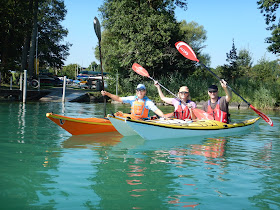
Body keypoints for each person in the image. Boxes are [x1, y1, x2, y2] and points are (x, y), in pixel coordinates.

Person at [101, 84, 166, 120]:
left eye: (142, 90)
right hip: (133, 118)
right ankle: (108, 120)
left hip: (142, 120)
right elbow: (119, 99)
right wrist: (107, 94)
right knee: (119, 114)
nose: (140, 92)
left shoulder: (147, 102)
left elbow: (156, 110)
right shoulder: (132, 98)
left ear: (145, 92)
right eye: (138, 90)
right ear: (136, 91)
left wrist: (163, 117)